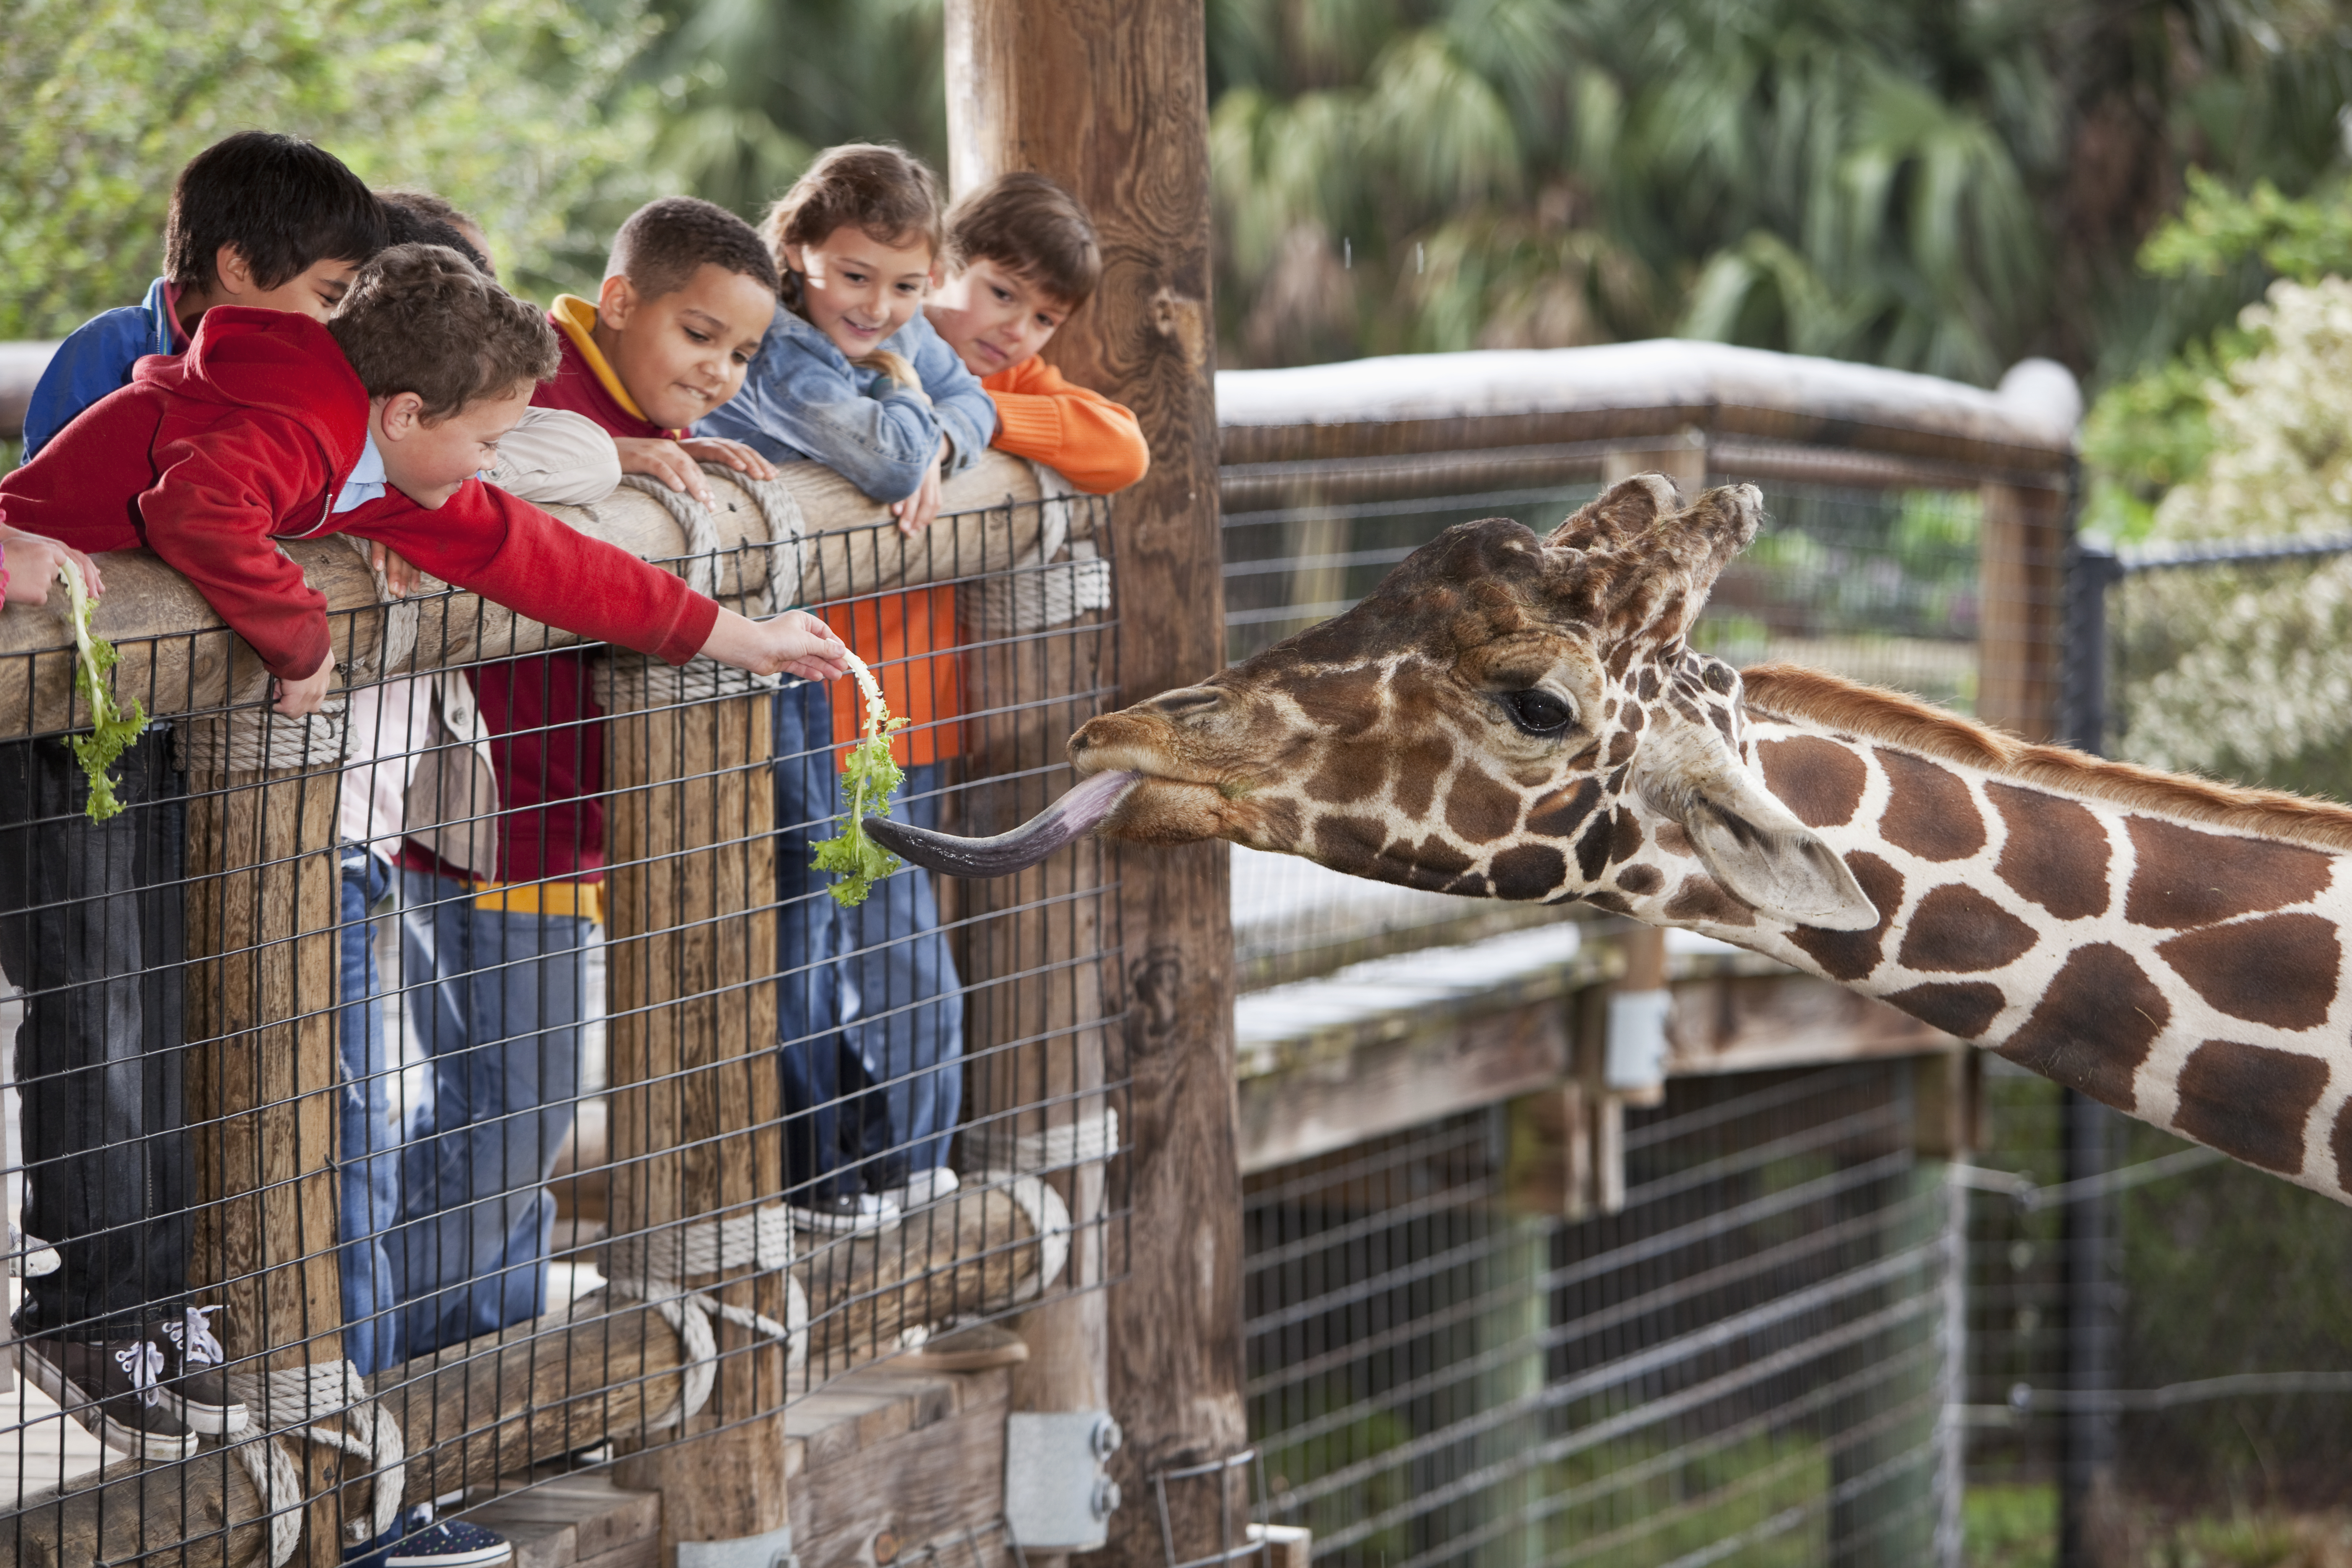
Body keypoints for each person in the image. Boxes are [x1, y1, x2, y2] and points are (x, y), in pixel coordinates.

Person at [0, 244, 848, 1464]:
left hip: (119, 717)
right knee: (111, 1017)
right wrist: (300, 641)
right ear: (404, 414)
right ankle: (92, 1318)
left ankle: (144, 1312)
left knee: (162, 1025)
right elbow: (197, 507)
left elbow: (553, 562)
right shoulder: (294, 424)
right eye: (486, 439)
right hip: (46, 708)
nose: (493, 463)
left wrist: (745, 641)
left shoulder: (376, 462)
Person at [384, 195, 784, 1368]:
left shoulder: (612, 410)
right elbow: (487, 484)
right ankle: (379, 1369)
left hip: (561, 821)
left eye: (743, 353)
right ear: (619, 303)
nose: (718, 371)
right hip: (503, 821)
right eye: (698, 336)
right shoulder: (539, 396)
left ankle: (484, 1362)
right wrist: (618, 461)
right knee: (523, 1106)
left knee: (507, 1105)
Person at [697, 144, 994, 1234]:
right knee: (800, 916)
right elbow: (881, 459)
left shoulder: (887, 334)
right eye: (855, 276)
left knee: (837, 911)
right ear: (800, 254)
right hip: (749, 665)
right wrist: (923, 422)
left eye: (909, 287)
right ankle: (813, 1166)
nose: (882, 307)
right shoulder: (780, 347)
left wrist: (940, 429)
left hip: (826, 670)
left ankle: (859, 1159)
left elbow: (976, 407)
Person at [20, 131, 384, 460]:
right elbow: (38, 492)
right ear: (239, 267)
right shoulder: (112, 350)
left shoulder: (287, 374)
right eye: (328, 298)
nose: (332, 323)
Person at [925, 171, 1149, 494]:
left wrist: (976, 413)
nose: (1016, 331)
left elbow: (1127, 452)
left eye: (1044, 319)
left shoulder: (1014, 381)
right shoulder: (872, 343)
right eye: (1003, 294)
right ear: (939, 267)